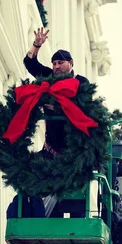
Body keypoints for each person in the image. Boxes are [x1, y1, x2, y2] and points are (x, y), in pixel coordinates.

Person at [23, 27, 90, 217]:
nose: (56, 67)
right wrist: (37, 44)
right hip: (50, 151)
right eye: (53, 63)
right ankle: (37, 219)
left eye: (60, 62)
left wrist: (57, 107)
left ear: (71, 63)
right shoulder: (49, 79)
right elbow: (29, 63)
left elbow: (80, 105)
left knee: (75, 203)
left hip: (74, 155)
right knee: (30, 176)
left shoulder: (81, 82)